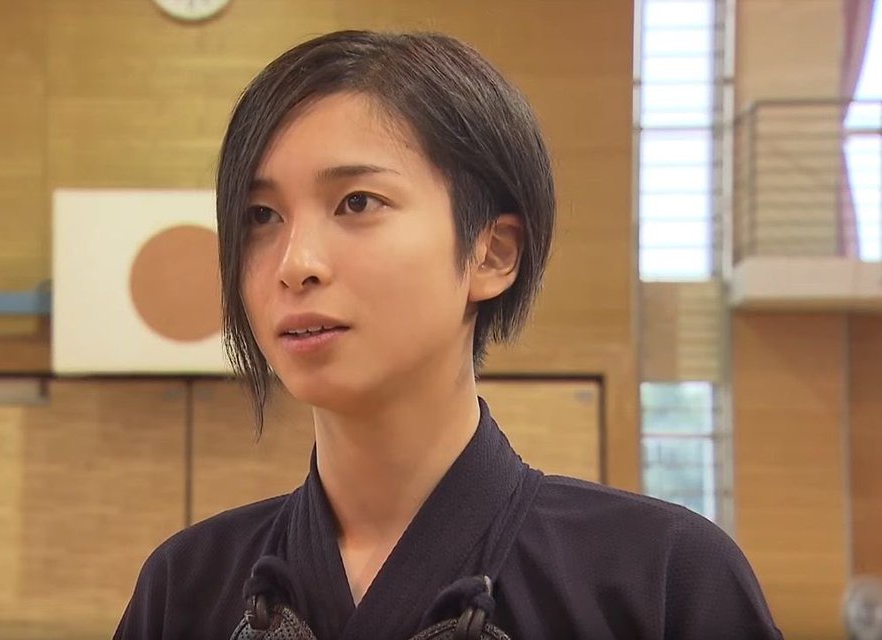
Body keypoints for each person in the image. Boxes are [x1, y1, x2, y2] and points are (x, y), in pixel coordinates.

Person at [115, 30, 782, 639]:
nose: (295, 264)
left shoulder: (661, 579)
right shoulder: (185, 588)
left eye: (357, 203)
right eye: (261, 216)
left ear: (492, 253)